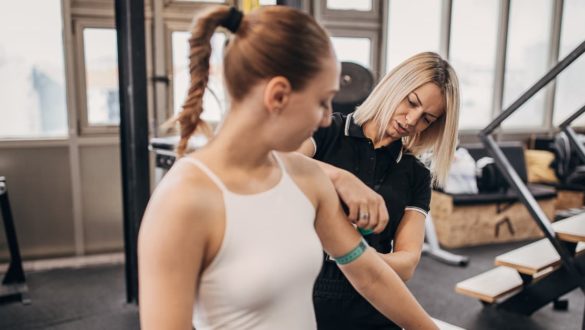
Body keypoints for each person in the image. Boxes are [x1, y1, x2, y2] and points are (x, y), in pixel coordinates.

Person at [138, 5, 438, 330]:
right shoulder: (183, 200)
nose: (327, 118)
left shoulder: (308, 178)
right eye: (322, 102)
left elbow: (369, 275)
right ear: (279, 96)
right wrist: (338, 175)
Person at [298, 52, 460, 329]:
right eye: (411, 103)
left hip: (373, 297)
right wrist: (341, 179)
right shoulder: (327, 130)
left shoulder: (417, 174)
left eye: (427, 119)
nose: (411, 120)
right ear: (394, 85)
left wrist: (353, 254)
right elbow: (275, 161)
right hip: (302, 291)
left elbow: (407, 262)